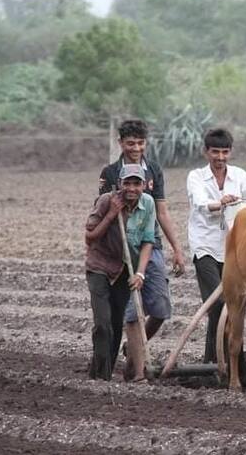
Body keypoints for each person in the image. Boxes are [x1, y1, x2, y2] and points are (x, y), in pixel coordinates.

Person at [98, 119, 186, 376]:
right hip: (122, 251)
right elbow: (103, 208)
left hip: (152, 245)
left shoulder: (154, 171)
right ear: (121, 144)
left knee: (160, 309)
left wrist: (177, 249)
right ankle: (136, 371)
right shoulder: (111, 173)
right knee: (131, 313)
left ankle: (135, 348)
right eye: (130, 143)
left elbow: (162, 211)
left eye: (140, 143)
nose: (136, 148)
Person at [186, 127, 246, 363]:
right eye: (215, 152)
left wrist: (243, 202)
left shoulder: (239, 176)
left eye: (225, 152)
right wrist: (220, 202)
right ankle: (216, 360)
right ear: (206, 152)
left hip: (235, 250)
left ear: (230, 152)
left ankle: (228, 358)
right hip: (206, 246)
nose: (220, 158)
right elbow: (200, 203)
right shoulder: (196, 177)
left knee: (234, 303)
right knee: (218, 304)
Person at [85, 163, 154, 381]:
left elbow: (147, 242)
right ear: (119, 184)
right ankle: (102, 375)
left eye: (137, 184)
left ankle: (100, 371)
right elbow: (90, 236)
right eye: (127, 183)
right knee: (103, 324)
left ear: (143, 185)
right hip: (100, 266)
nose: (132, 189)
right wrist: (112, 213)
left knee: (115, 324)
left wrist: (140, 273)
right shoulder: (107, 201)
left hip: (125, 269)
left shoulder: (148, 204)